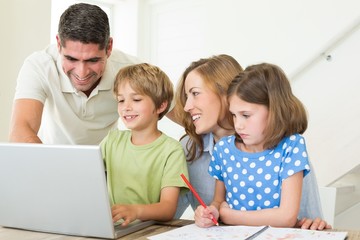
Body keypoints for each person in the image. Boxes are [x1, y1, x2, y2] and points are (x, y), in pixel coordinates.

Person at [173, 55, 331, 230]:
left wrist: (315, 224)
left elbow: (306, 217)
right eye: (187, 96)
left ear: (227, 94)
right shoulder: (189, 149)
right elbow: (169, 215)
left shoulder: (289, 148)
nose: (187, 106)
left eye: (195, 93)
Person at [9, 3, 140, 144]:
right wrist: (46, 164)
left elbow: (166, 105)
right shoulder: (40, 65)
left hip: (107, 162)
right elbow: (21, 130)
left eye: (93, 60)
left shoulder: (131, 71)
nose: (82, 73)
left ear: (109, 47)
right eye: (71, 59)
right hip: (52, 160)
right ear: (59, 44)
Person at [100, 63, 189, 226]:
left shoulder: (171, 151)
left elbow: (168, 208)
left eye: (136, 99)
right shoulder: (112, 141)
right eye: (121, 100)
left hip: (146, 229)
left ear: (161, 105)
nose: (126, 107)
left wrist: (136, 211)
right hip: (111, 227)